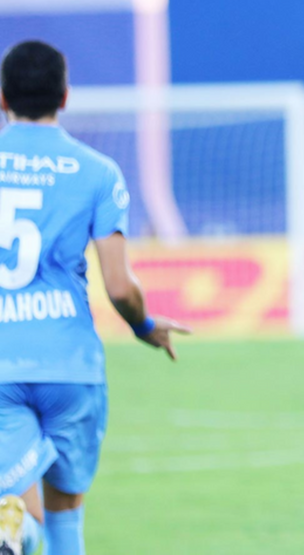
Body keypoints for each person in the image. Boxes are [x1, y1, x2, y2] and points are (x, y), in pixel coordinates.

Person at [0, 40, 190, 555]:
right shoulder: (97, 171)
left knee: (16, 505)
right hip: (69, 364)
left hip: (2, 367)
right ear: (65, 96)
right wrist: (144, 326)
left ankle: (17, 529)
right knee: (66, 514)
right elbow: (119, 286)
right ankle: (23, 530)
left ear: (2, 98)